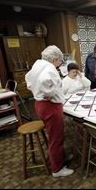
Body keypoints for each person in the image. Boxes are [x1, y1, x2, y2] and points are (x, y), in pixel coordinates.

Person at [25, 45, 74, 177]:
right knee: (56, 138)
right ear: (55, 58)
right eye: (59, 61)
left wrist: (37, 91)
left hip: (40, 104)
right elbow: (45, 83)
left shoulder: (38, 64)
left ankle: (60, 158)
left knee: (54, 135)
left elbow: (28, 79)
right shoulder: (49, 69)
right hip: (50, 106)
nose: (60, 64)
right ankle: (57, 169)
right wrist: (49, 93)